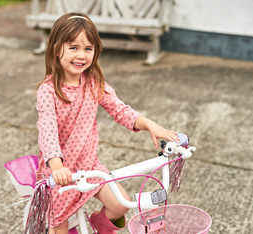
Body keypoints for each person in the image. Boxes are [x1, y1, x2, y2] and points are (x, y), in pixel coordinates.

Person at [36, 12, 179, 234]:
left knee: (121, 204)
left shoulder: (93, 84)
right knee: (59, 222)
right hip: (60, 171)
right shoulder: (48, 91)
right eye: (73, 47)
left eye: (88, 49)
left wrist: (149, 124)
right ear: (57, 49)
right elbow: (47, 130)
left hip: (90, 166)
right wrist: (56, 165)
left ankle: (97, 226)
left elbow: (120, 110)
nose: (81, 55)